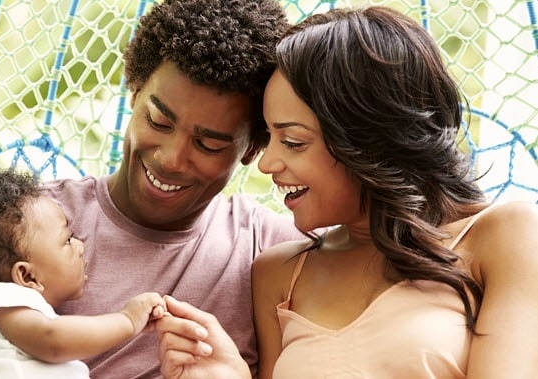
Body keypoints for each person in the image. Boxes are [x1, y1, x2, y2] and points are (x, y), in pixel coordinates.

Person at [0, 0, 303, 378]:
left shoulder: (272, 251)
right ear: (135, 94)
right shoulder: (22, 221)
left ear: (252, 148)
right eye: (158, 122)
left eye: (208, 144)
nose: (171, 159)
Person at [156, 6, 538, 379]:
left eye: (292, 141)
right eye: (269, 137)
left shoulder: (506, 236)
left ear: (367, 140)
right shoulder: (278, 274)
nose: (267, 163)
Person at [0, 169, 166, 378]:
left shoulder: (20, 311)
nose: (81, 246)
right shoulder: (0, 298)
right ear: (27, 277)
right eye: (67, 240)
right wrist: (127, 320)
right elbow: (54, 341)